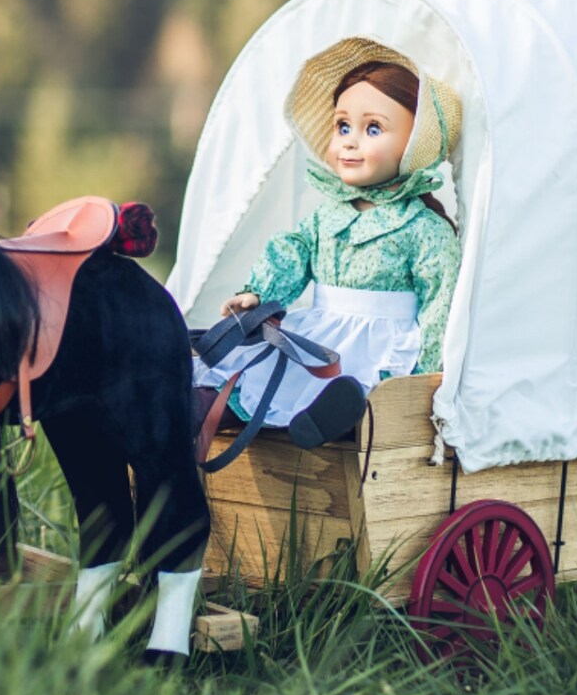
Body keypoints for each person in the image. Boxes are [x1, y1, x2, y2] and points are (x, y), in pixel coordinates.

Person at [193, 38, 462, 449]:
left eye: (373, 128)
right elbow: (293, 251)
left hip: (383, 346)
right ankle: (204, 405)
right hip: (324, 331)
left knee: (365, 389)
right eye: (342, 127)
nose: (350, 141)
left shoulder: (424, 228)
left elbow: (439, 306)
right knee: (269, 369)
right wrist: (258, 292)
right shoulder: (328, 216)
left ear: (414, 144)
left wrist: (427, 377)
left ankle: (338, 418)